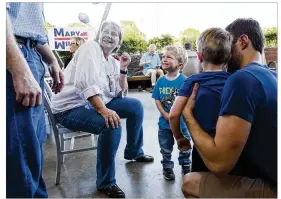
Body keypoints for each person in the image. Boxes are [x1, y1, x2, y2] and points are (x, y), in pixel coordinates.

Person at [51, 20, 154, 198]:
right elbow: (86, 84)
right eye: (106, 31)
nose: (109, 35)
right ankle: (106, 182)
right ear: (99, 35)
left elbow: (117, 92)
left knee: (136, 106)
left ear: (119, 42)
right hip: (69, 108)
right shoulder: (90, 48)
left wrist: (123, 69)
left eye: (114, 34)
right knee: (111, 123)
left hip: (93, 102)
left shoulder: (112, 61)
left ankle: (134, 152)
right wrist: (104, 110)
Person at [180, 18, 277, 198]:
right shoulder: (273, 76)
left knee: (190, 182)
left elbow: (219, 165)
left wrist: (188, 117)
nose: (224, 51)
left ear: (242, 41)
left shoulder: (242, 79)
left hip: (273, 188)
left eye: (227, 44)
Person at [6, 2, 64, 198]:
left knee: (33, 147)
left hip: (31, 53)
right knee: (19, 155)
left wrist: (52, 60)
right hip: (14, 53)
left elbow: (34, 32)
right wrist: (18, 67)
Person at [169, 28, 232, 173]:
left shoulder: (193, 82)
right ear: (228, 58)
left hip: (202, 145)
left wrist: (179, 138)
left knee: (200, 184)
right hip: (229, 146)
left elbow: (173, 115)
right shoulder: (233, 80)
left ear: (199, 55)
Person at [152, 46, 192, 181]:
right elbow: (157, 99)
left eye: (169, 57)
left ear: (180, 64)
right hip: (164, 124)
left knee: (185, 145)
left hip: (182, 124)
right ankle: (167, 167)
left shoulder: (185, 81)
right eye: (163, 56)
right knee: (165, 147)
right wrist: (164, 114)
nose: (164, 59)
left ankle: (186, 164)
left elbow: (189, 101)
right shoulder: (160, 80)